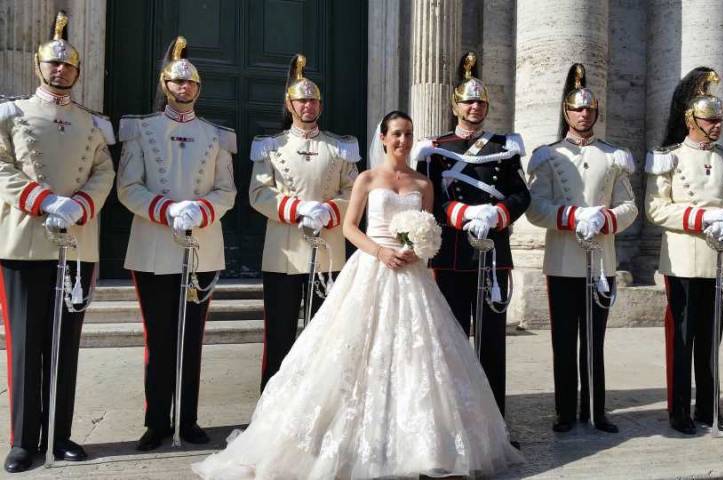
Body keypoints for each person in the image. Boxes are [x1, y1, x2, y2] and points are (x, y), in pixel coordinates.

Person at [192, 111, 521, 480]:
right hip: (372, 269)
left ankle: (423, 446)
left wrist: (419, 250)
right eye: (396, 134)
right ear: (382, 138)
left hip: (412, 276)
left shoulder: (424, 184)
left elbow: (429, 229)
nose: (403, 141)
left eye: (408, 134)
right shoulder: (366, 179)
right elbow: (349, 227)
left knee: (418, 360)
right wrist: (380, 252)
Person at [0, 11, 115, 472]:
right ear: (38, 66)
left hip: (78, 245)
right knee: (26, 345)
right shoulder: (11, 113)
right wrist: (41, 198)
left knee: (66, 345)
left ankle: (61, 434)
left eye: (68, 66)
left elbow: (104, 171)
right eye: (53, 64)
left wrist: (82, 204)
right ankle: (25, 440)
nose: (60, 71)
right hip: (26, 242)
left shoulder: (92, 123)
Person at [117, 36, 237, 451]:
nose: (183, 89)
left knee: (192, 339)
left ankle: (188, 419)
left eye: (190, 84)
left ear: (198, 89)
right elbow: (128, 188)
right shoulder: (141, 129)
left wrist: (200, 211)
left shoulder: (216, 136)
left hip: (200, 246)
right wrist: (164, 209)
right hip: (154, 246)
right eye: (176, 82)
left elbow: (226, 191)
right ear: (164, 84)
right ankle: (157, 423)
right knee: (159, 337)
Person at [414, 52, 530, 417]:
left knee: (492, 343)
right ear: (456, 105)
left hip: (493, 254)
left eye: (480, 101)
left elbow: (521, 193)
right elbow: (430, 200)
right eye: (468, 101)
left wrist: (499, 213)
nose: (475, 107)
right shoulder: (436, 149)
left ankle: (495, 420)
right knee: (452, 341)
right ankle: (455, 418)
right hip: (452, 256)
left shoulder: (505, 147)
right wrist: (462, 213)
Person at [526, 64, 637, 434]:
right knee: (563, 340)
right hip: (562, 261)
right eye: (576, 109)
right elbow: (535, 207)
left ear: (596, 113)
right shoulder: (549, 155)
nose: (583, 115)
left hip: (601, 263)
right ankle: (564, 410)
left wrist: (604, 218)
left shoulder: (614, 155)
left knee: (595, 340)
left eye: (589, 110)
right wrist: (571, 216)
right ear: (566, 113)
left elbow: (629, 206)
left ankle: (596, 408)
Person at [644, 67, 723, 435]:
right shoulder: (669, 157)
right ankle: (679, 412)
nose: (717, 126)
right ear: (692, 119)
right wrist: (702, 217)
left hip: (720, 261)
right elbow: (657, 208)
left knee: (710, 343)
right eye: (710, 120)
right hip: (684, 260)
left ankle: (709, 409)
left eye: (720, 120)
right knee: (683, 340)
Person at [249, 53, 359, 391]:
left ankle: (319, 399)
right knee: (279, 334)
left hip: (328, 253)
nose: (308, 106)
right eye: (302, 100)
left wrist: (332, 209)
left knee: (325, 335)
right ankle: (272, 400)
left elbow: (354, 189)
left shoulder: (341, 147)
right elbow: (258, 193)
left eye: (313, 100)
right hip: (284, 254)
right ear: (289, 104)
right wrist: (296, 209)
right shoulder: (270, 146)